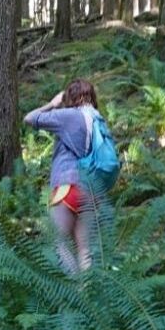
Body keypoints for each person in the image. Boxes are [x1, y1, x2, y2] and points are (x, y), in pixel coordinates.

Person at [24, 79, 105, 273]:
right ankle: (89, 294)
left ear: (71, 97)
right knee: (84, 250)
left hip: (67, 187)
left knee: (61, 245)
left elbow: (30, 118)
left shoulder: (69, 116)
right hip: (91, 189)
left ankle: (74, 297)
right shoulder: (98, 119)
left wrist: (53, 104)